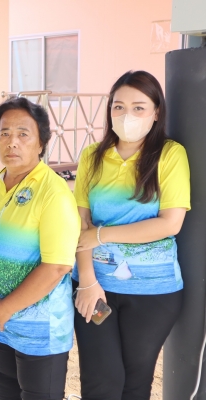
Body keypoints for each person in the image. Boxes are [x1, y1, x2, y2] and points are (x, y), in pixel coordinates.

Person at [73, 70, 190, 399]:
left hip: (153, 293)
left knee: (136, 384)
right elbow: (81, 226)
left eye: (139, 107)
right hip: (96, 288)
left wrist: (102, 235)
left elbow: (170, 223)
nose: (127, 115)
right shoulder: (92, 157)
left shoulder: (170, 154)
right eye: (119, 107)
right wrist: (87, 281)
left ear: (156, 112)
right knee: (99, 381)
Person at [0, 97, 80, 400]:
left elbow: (57, 266)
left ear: (41, 143)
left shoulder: (53, 192)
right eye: (4, 133)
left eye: (23, 134)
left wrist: (6, 307)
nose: (11, 142)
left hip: (38, 332)